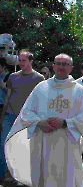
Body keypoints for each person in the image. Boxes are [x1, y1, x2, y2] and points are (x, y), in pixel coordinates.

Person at [4, 53, 83, 187]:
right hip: (42, 140)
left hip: (66, 142)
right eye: (58, 64)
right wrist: (39, 122)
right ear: (53, 66)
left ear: (71, 68)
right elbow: (27, 112)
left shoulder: (79, 90)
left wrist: (64, 122)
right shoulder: (41, 87)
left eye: (65, 64)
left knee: (66, 176)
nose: (61, 67)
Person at [0, 50, 44, 184]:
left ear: (31, 61)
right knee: (3, 145)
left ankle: (22, 178)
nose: (21, 63)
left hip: (28, 118)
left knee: (24, 147)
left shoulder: (39, 79)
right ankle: (2, 174)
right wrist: (2, 117)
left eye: (24, 60)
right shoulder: (13, 77)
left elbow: (40, 100)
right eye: (19, 60)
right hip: (10, 116)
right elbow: (8, 95)